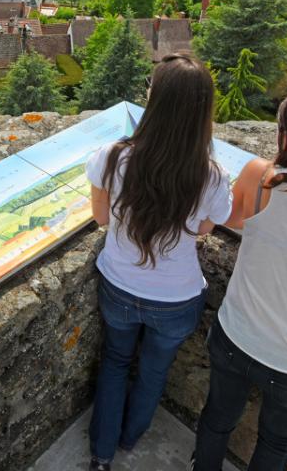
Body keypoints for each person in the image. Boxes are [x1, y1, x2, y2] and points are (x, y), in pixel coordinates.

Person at [86, 54, 232, 471]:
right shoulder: (211, 174)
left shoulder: (113, 156)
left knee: (115, 363)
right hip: (176, 297)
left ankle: (101, 454)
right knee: (153, 372)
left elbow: (100, 217)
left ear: (154, 99)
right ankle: (132, 439)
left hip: (119, 285)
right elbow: (206, 227)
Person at [193, 88, 287, 471]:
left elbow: (233, 219)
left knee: (217, 419)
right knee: (276, 445)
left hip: (239, 336)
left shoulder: (261, 177)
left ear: (284, 136)